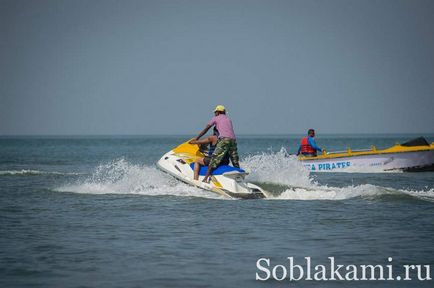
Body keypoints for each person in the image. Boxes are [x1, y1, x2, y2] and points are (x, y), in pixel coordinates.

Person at [194, 105, 239, 183]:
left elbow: (206, 129)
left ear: (217, 112)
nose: (215, 113)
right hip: (233, 140)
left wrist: (197, 138)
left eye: (215, 112)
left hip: (224, 140)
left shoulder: (216, 118)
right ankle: (239, 177)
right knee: (234, 160)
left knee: (214, 159)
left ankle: (205, 179)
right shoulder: (228, 119)